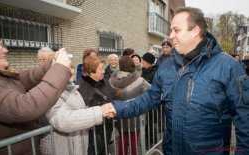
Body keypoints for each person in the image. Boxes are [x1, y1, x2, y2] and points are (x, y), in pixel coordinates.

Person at [102, 7, 249, 155]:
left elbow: (245, 120)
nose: (170, 36)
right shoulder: (166, 66)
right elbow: (148, 98)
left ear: (195, 30)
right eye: (171, 30)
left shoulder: (229, 67)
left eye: (176, 30)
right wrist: (117, 108)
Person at [0, 37, 72, 155]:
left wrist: (52, 64)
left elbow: (27, 77)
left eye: (3, 45)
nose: (5, 50)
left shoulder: (3, 76)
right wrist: (60, 69)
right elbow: (24, 107)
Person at [40, 66, 109, 155]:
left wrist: (94, 112)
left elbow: (80, 110)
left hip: (78, 145)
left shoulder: (73, 90)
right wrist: (98, 112)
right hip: (61, 147)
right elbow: (61, 120)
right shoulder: (49, 93)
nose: (71, 72)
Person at [109, 56, 150, 155]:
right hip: (135, 115)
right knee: (133, 142)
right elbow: (151, 91)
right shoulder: (139, 80)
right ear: (132, 65)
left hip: (120, 116)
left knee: (122, 140)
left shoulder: (111, 80)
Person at [78, 54, 117, 155]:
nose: (104, 71)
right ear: (91, 71)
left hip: (106, 128)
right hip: (94, 133)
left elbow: (112, 95)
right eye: (101, 69)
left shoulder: (103, 81)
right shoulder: (83, 87)